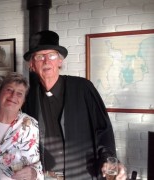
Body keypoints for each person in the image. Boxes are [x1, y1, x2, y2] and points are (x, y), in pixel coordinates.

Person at [21, 30, 127, 180]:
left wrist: (110, 160)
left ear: (60, 61)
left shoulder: (83, 88)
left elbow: (103, 130)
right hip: (44, 176)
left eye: (51, 55)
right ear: (32, 64)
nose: (46, 61)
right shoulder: (29, 97)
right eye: (39, 56)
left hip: (82, 175)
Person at [0, 72, 44, 180]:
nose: (13, 96)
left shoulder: (29, 126)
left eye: (19, 93)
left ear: (23, 101)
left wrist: (34, 173)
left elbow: (36, 165)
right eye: (9, 90)